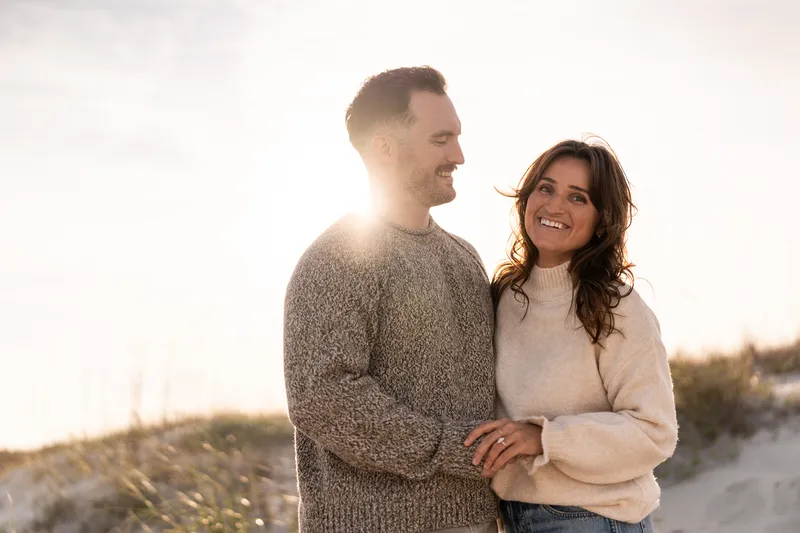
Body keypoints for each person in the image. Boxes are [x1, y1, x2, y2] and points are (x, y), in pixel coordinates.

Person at [283, 66, 498, 533]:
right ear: (383, 147)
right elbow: (322, 395)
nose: (459, 155)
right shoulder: (337, 257)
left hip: (477, 521)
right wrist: (451, 447)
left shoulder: (465, 258)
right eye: (441, 139)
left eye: (457, 137)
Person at [465, 139, 678, 533]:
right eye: (546, 188)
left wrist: (545, 437)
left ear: (602, 221)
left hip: (595, 518)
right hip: (512, 516)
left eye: (577, 198)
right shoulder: (503, 296)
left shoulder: (617, 306)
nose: (555, 206)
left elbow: (654, 431)